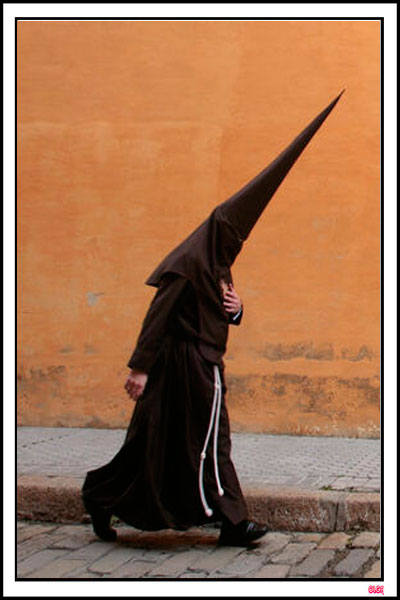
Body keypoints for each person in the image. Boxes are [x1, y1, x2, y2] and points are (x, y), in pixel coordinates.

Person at [81, 90, 343, 546]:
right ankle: (232, 520)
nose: (235, 247)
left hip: (196, 364)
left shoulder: (215, 264)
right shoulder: (188, 264)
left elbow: (220, 309)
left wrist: (237, 310)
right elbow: (158, 315)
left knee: (155, 445)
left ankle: (103, 498)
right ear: (220, 232)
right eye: (233, 239)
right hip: (185, 367)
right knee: (209, 440)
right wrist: (139, 368)